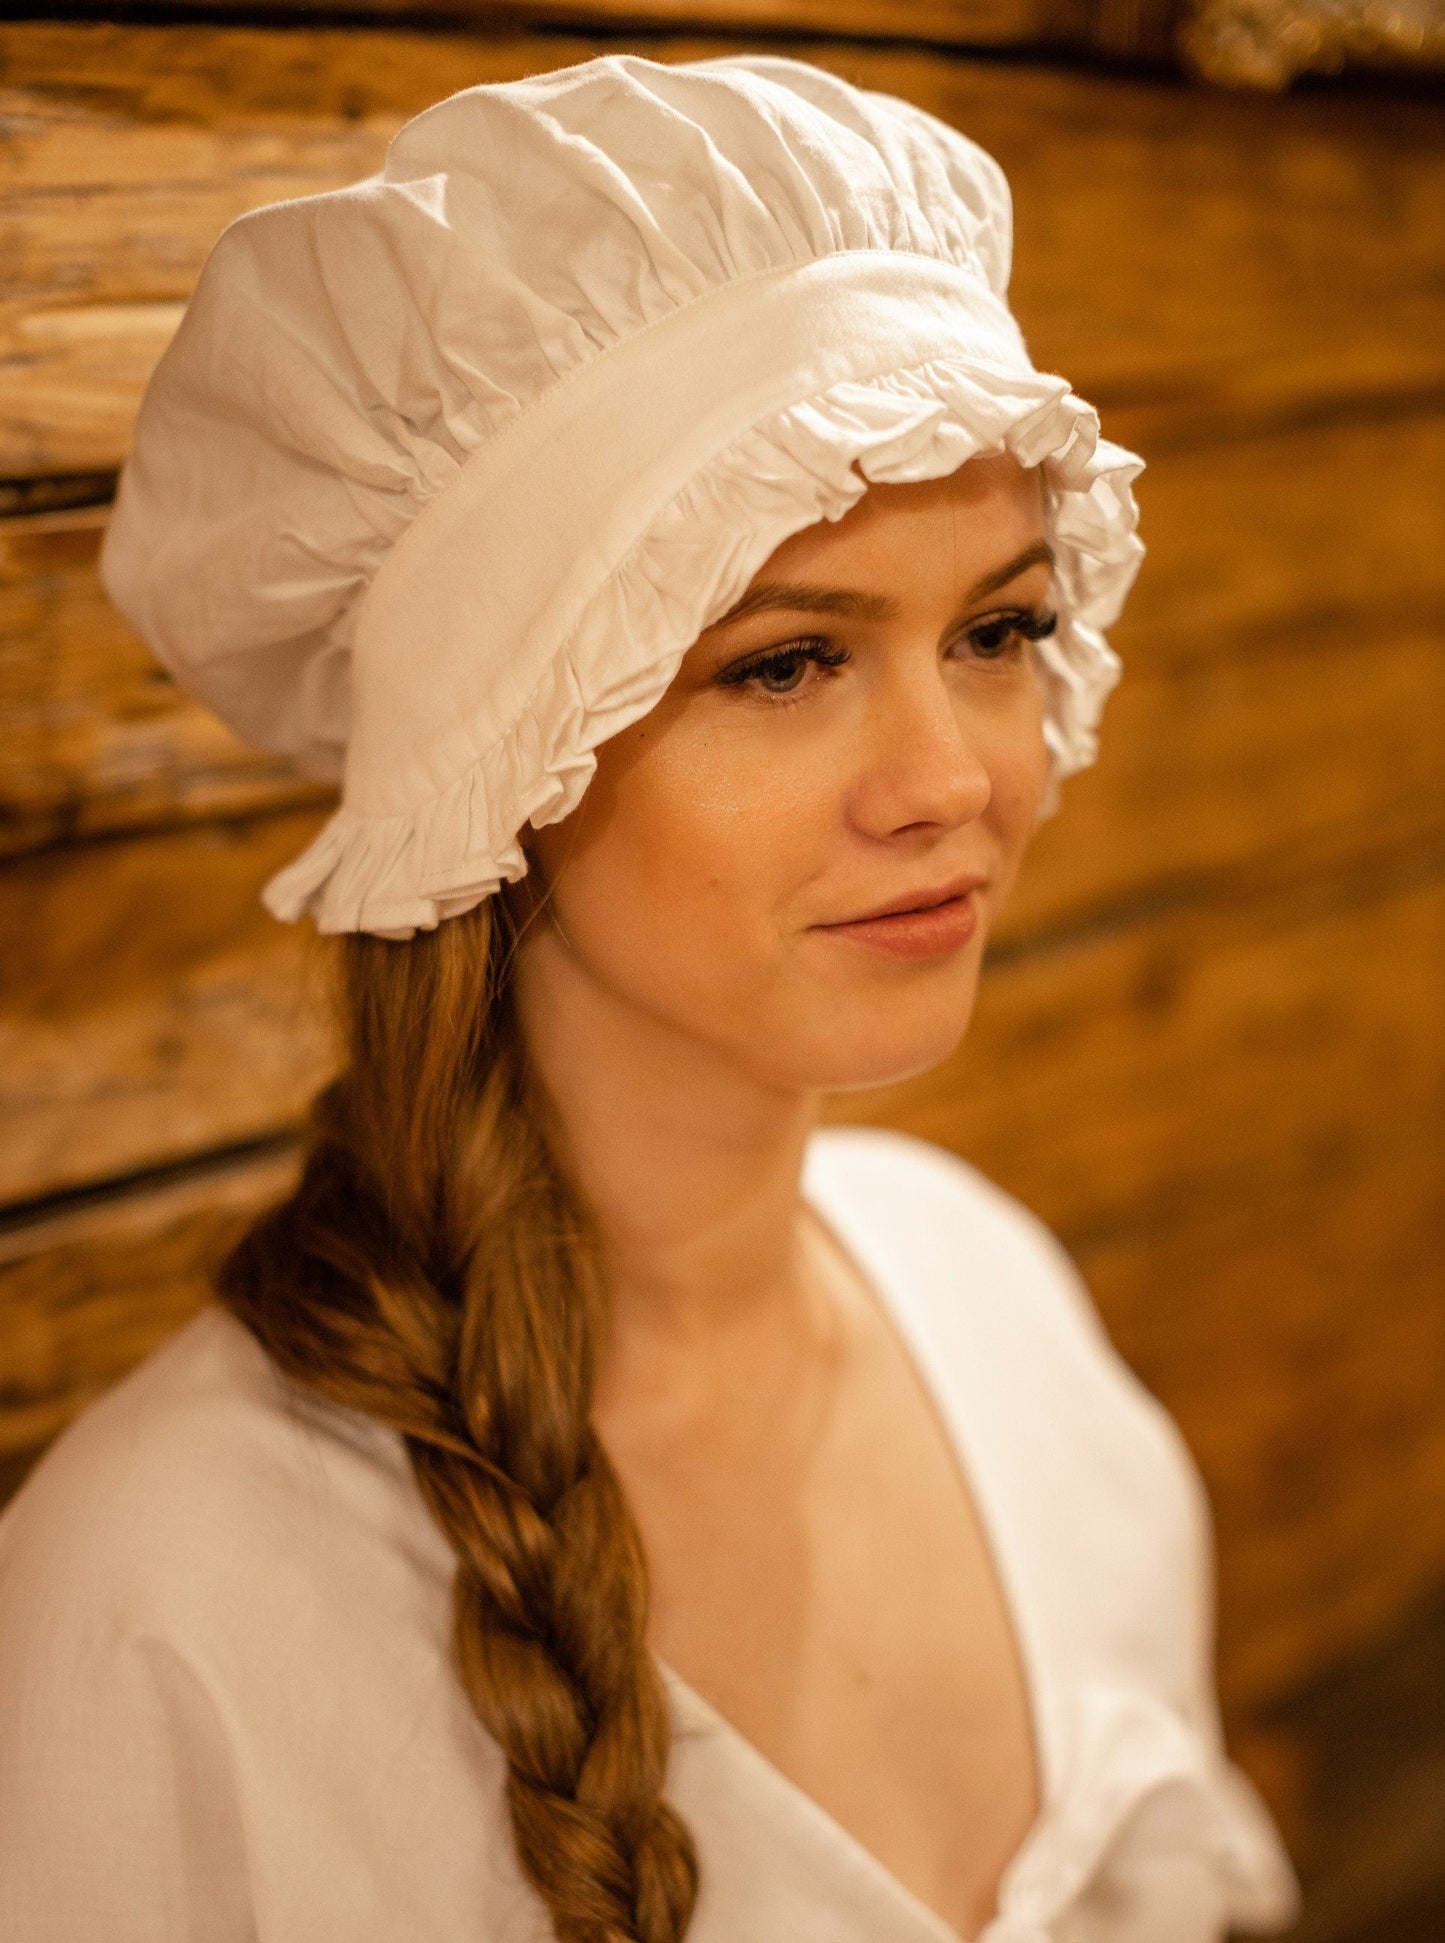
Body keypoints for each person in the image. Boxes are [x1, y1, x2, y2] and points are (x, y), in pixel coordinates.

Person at [0, 53, 1299, 1943]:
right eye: (784, 664)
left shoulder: (992, 1305)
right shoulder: (164, 1608)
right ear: (496, 765)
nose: (950, 779)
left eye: (996, 631)